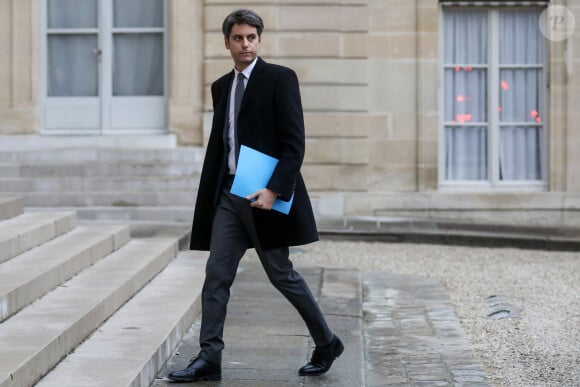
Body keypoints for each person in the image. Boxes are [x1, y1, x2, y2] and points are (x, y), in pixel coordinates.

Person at [167, 8, 343, 383]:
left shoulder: (280, 79)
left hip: (266, 195)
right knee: (216, 274)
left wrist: (276, 189)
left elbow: (295, 142)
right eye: (238, 38)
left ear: (259, 40)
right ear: (227, 42)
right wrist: (214, 196)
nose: (245, 44)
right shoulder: (220, 87)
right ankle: (209, 358)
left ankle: (326, 342)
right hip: (230, 197)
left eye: (251, 37)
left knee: (282, 275)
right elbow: (223, 144)